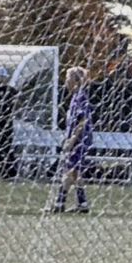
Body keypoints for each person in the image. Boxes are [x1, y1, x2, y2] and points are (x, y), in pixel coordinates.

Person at [47, 65, 96, 214]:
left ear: (76, 81)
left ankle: (60, 203)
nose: (66, 82)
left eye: (68, 78)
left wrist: (72, 139)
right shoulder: (75, 97)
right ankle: (82, 204)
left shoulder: (80, 98)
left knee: (69, 171)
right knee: (74, 173)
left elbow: (83, 120)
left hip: (79, 141)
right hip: (77, 141)